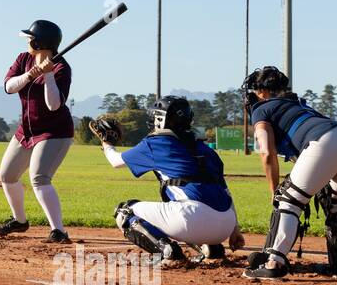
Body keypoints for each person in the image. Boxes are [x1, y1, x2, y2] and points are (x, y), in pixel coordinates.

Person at [241, 66, 337, 280]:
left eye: (254, 92)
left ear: (262, 91)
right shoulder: (299, 105)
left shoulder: (262, 109)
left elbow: (266, 151)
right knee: (336, 202)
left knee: (288, 200)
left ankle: (274, 263)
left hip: (326, 140)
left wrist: (274, 190)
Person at [91, 97, 244, 263]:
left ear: (161, 120)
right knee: (183, 203)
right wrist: (235, 229)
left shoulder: (155, 142)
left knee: (125, 211)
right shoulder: (205, 148)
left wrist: (106, 142)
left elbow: (115, 161)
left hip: (193, 220)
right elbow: (225, 191)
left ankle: (168, 251)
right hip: (226, 224)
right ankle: (212, 248)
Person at [0, 20, 73, 242]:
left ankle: (58, 231)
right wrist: (31, 74)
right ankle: (20, 221)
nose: (28, 41)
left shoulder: (61, 68)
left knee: (39, 177)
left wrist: (47, 75)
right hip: (27, 130)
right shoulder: (23, 59)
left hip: (54, 132)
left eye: (31, 38)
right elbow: (9, 86)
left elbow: (54, 105)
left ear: (40, 42)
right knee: (7, 175)